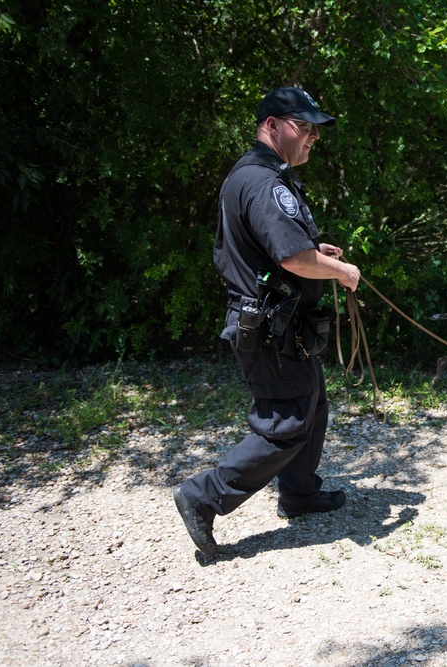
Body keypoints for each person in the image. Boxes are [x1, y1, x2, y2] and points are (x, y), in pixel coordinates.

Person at [172, 86, 361, 556]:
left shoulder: (260, 174)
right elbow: (294, 260)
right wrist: (340, 271)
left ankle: (299, 494)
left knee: (310, 403)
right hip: (271, 325)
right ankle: (203, 496)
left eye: (316, 130)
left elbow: (282, 251)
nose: (313, 137)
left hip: (282, 322)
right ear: (271, 125)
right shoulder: (263, 182)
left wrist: (318, 253)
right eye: (304, 127)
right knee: (286, 422)